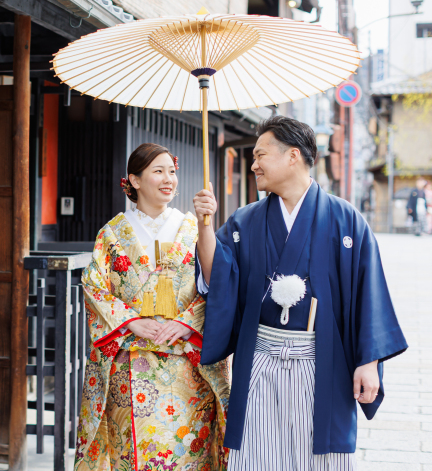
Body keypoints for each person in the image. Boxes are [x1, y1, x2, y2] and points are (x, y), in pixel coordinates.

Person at [193, 116, 407, 470]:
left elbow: (369, 294)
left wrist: (368, 362)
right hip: (260, 358)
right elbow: (219, 278)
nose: (254, 164)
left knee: (318, 457)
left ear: (293, 156)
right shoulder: (245, 220)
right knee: (258, 455)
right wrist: (205, 226)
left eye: (260, 155)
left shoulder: (345, 219)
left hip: (322, 361)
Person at [75, 143, 230, 471]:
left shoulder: (193, 228)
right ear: (134, 180)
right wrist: (130, 321)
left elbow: (216, 284)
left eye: (172, 171)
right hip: (131, 363)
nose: (169, 179)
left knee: (188, 451)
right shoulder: (112, 234)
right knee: (132, 452)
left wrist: (187, 322)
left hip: (186, 362)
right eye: (158, 171)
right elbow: (94, 286)